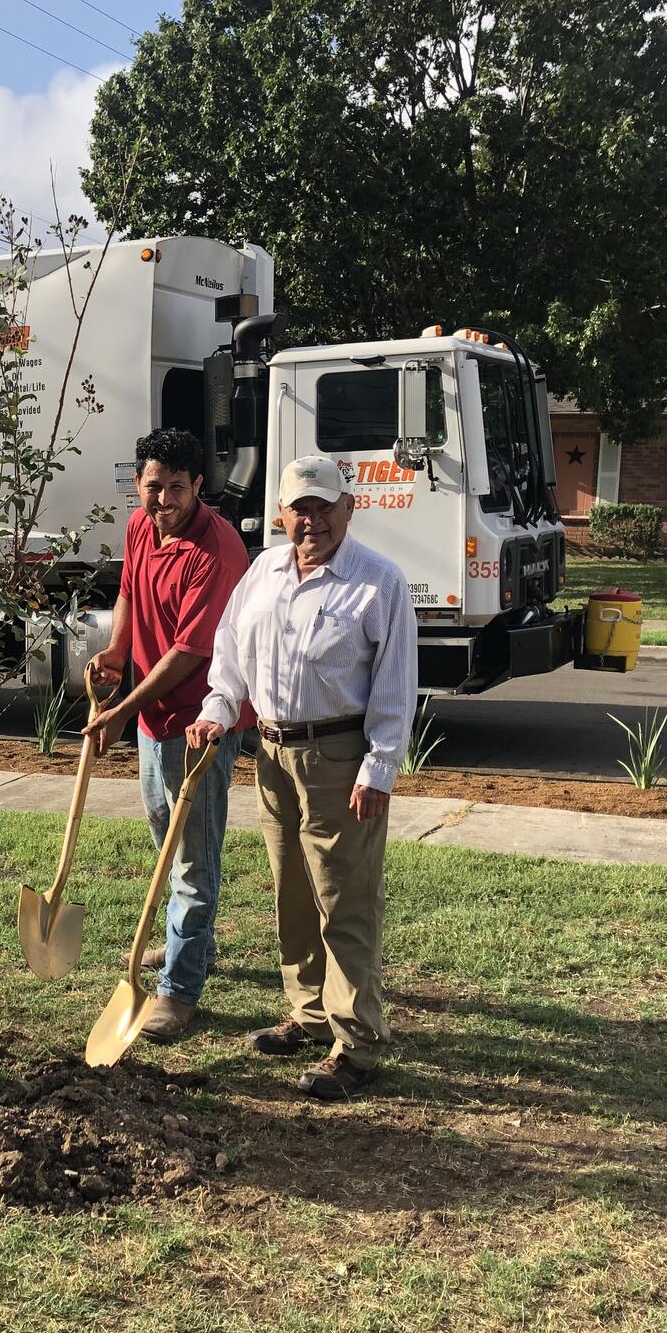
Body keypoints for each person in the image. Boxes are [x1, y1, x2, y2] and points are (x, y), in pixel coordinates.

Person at [187, 455, 415, 1100]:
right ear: (281, 513)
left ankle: (357, 1041)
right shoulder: (263, 571)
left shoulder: (378, 582)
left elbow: (396, 685)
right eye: (298, 509)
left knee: (343, 898)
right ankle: (310, 1013)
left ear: (349, 508)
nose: (310, 520)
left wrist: (380, 767)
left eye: (323, 508)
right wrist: (217, 709)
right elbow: (230, 653)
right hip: (270, 754)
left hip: (339, 759)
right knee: (292, 891)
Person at [85, 427, 253, 1041]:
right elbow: (128, 588)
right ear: (138, 483)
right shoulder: (140, 527)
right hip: (157, 716)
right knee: (166, 831)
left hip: (203, 719)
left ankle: (179, 991)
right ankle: (193, 941)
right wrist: (115, 650)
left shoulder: (219, 551)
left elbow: (188, 654)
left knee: (192, 856)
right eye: (154, 488)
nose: (164, 502)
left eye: (177, 489)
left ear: (199, 487)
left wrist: (123, 707)